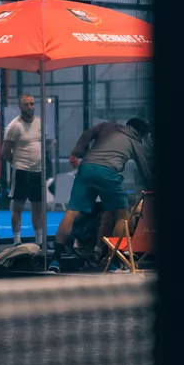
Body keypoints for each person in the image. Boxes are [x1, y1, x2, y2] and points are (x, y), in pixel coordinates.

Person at [50, 117, 153, 273]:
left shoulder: (107, 126)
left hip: (86, 168)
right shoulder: (135, 141)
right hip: (109, 173)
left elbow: (87, 133)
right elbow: (145, 170)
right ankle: (113, 262)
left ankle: (55, 261)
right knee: (123, 217)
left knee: (71, 213)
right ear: (140, 132)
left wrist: (77, 153)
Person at [1, 94, 46, 249]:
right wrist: (18, 163)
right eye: (26, 104)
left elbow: (43, 145)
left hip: (37, 171)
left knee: (37, 207)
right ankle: (16, 240)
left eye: (32, 104)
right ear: (20, 107)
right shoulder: (14, 126)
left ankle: (39, 241)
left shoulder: (40, 123)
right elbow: (5, 152)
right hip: (21, 171)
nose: (30, 107)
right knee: (18, 207)